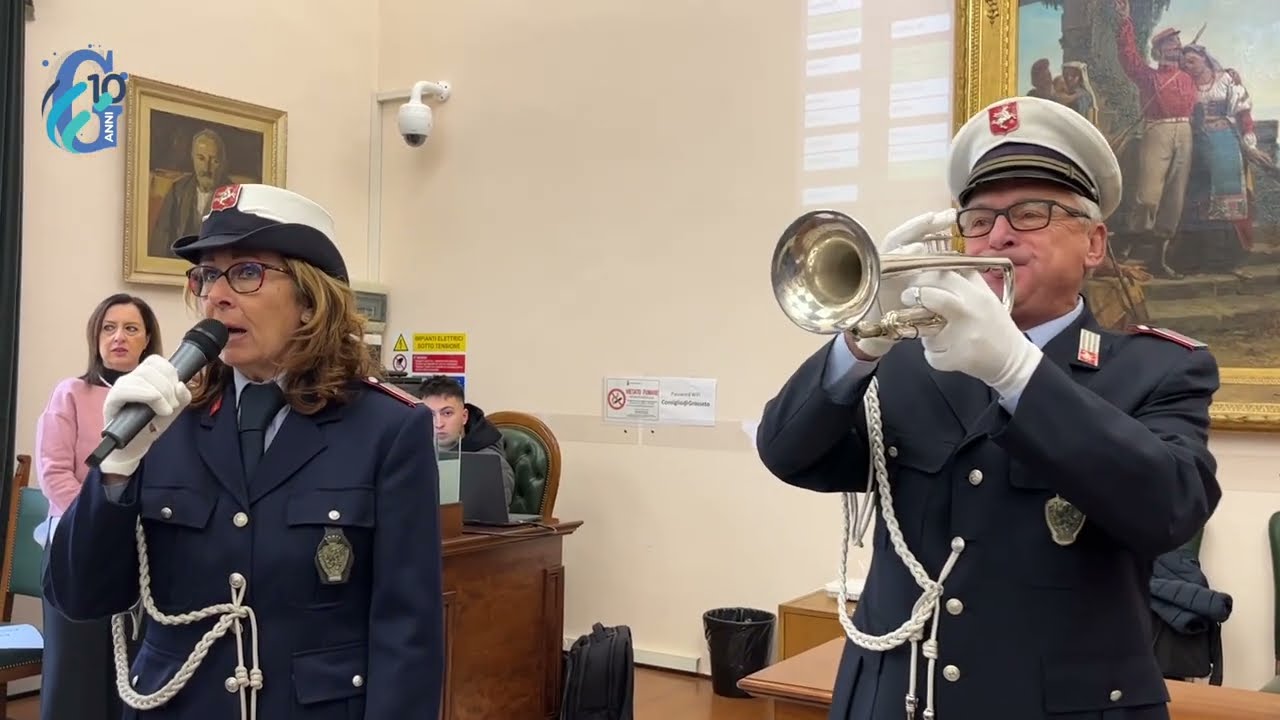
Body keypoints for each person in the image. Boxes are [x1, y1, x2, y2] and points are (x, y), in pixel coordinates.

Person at [756, 96, 1220, 719]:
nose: (997, 235)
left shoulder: (1158, 369)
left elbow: (1168, 508)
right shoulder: (905, 360)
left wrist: (1017, 372)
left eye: (1030, 213)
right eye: (977, 219)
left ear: (1094, 243)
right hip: (897, 699)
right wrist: (860, 339)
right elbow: (785, 451)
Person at [43, 183, 445, 720]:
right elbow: (79, 596)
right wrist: (114, 472)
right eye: (207, 275)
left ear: (310, 300)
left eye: (247, 272)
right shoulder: (167, 420)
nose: (217, 295)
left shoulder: (387, 427)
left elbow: (407, 632)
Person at [35, 293, 162, 720]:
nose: (119, 337)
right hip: (78, 550)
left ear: (147, 339)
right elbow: (54, 474)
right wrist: (98, 528)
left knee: (136, 671)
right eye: (109, 328)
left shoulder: (165, 403)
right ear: (96, 336)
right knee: (78, 675)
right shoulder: (71, 393)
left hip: (144, 555)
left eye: (131, 328)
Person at [417, 374, 516, 505]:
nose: (438, 423)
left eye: (447, 413)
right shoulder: (415, 453)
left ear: (464, 417)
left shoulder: (491, 464)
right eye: (430, 415)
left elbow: (492, 519)